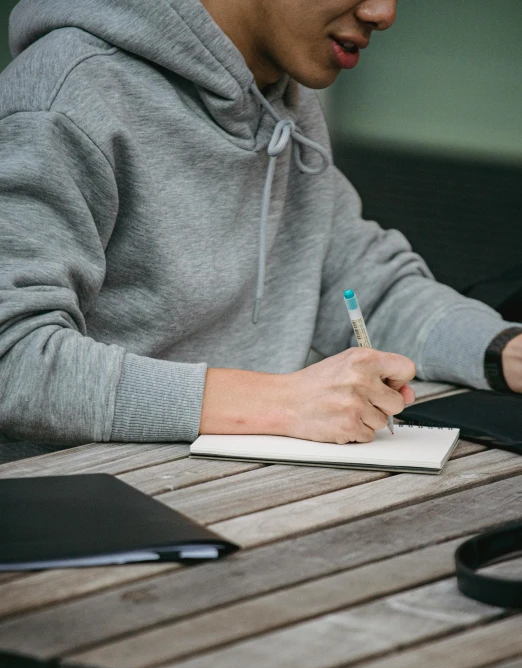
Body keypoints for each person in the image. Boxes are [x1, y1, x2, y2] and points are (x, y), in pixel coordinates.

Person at [1, 0, 521, 465]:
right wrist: (280, 403)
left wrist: (506, 351)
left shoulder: (280, 104)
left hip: (264, 493)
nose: (384, 13)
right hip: (99, 514)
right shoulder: (64, 97)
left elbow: (368, 290)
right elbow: (12, 361)